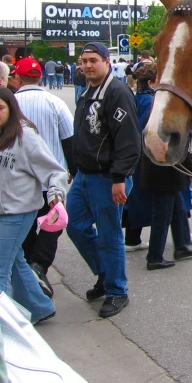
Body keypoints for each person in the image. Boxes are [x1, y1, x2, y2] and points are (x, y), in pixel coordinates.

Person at [65, 42, 141, 318]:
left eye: (92, 60)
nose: (86, 65)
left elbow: (129, 140)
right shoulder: (88, 90)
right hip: (84, 175)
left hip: (108, 177)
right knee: (74, 225)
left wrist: (120, 177)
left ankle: (117, 291)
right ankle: (105, 274)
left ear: (107, 61)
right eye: (83, 61)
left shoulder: (117, 93)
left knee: (109, 236)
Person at [0, 86, 65, 324]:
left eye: (0, 108)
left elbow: (54, 170)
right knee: (15, 261)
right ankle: (39, 308)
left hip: (17, 212)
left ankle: (7, 331)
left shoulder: (25, 136)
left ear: (11, 109)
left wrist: (56, 195)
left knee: (0, 270)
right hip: (3, 210)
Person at [13, 58, 75, 299]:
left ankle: (31, 266)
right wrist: (72, 170)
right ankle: (39, 266)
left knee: (26, 228)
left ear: (17, 78)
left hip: (20, 182)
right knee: (53, 223)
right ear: (40, 77)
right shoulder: (55, 102)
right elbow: (69, 140)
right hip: (52, 180)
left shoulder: (10, 103)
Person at [133, 62, 192, 269]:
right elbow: (181, 141)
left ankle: (180, 244)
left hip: (162, 168)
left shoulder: (151, 102)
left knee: (177, 209)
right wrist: (191, 170)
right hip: (164, 168)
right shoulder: (161, 107)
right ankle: (154, 256)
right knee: (162, 214)